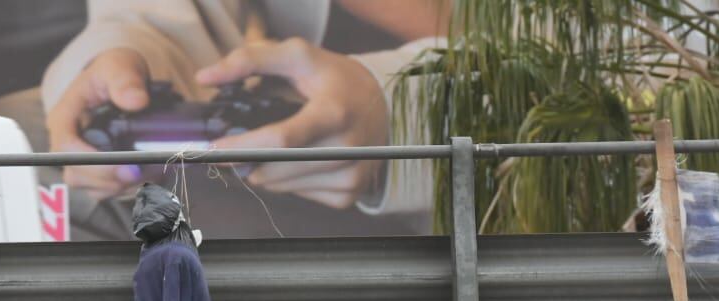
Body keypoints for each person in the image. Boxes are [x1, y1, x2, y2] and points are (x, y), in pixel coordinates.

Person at [41, 0, 448, 212]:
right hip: (277, 146)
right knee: (26, 148)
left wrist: (399, 109)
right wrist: (124, 54)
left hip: (472, 169)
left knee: (49, 197)